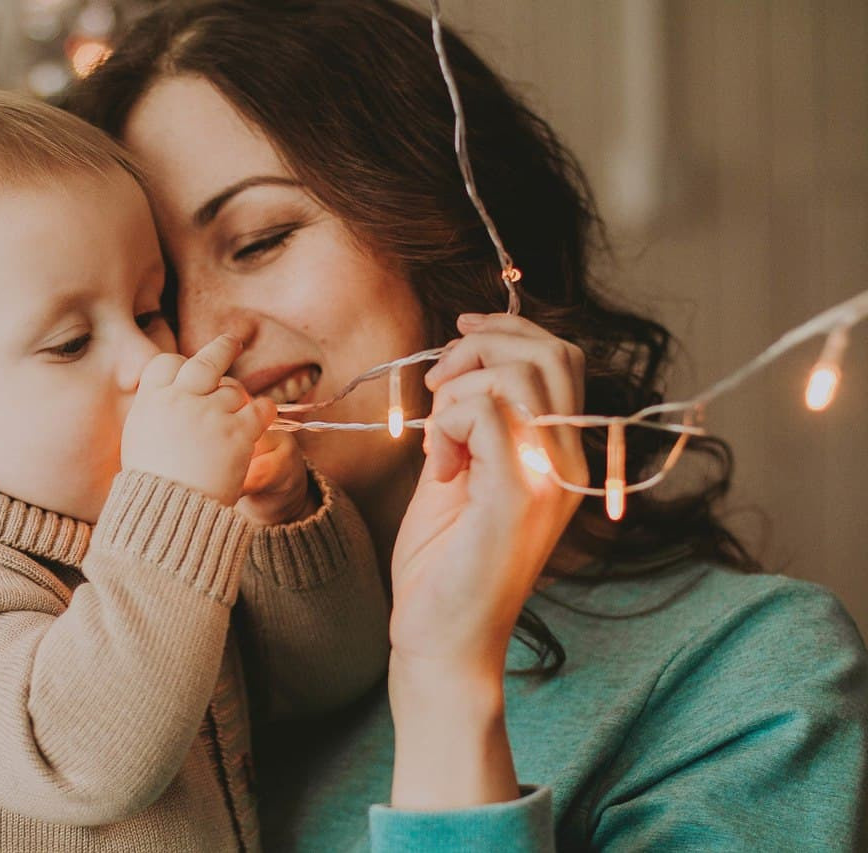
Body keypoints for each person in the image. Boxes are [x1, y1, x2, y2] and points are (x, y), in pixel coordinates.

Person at [67, 0, 868, 848]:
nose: (205, 334)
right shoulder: (149, 688)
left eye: (261, 239)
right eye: (152, 299)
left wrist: (447, 676)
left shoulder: (748, 674)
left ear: (442, 221)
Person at [0, 83, 388, 851]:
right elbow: (85, 754)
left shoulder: (136, 527)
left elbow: (334, 675)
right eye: (69, 343)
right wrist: (173, 509)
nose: (148, 360)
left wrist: (278, 510)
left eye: (147, 309)